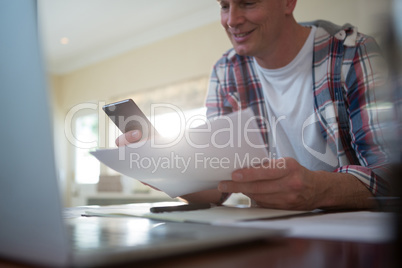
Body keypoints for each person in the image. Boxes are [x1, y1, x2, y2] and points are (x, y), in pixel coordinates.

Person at [116, 0, 390, 210]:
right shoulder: (226, 71)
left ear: (288, 2)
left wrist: (317, 189)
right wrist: (164, 170)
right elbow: (217, 188)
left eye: (248, 2)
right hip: (268, 239)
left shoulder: (352, 53)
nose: (231, 20)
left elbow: (389, 175)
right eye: (224, 5)